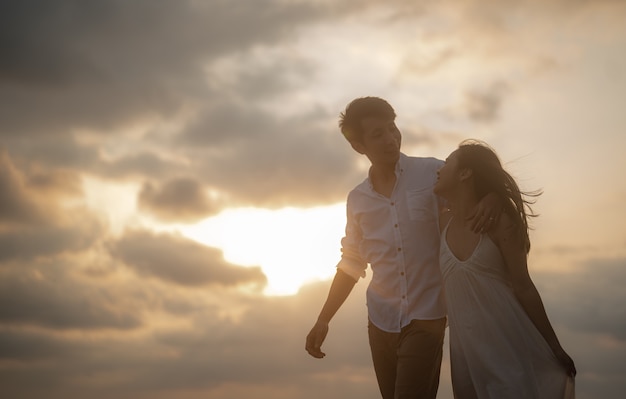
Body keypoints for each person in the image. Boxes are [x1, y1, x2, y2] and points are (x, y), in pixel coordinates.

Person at [304, 97, 500, 399]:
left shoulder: (432, 173)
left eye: (392, 129)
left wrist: (492, 197)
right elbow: (352, 263)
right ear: (359, 146)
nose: (390, 139)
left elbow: (475, 185)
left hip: (427, 316)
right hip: (380, 322)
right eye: (377, 134)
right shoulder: (357, 200)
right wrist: (323, 318)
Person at [434, 139, 576, 398]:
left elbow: (523, 287)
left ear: (465, 173)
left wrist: (554, 347)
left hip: (506, 345)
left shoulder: (500, 221)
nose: (439, 169)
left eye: (446, 163)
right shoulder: (442, 221)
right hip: (465, 354)